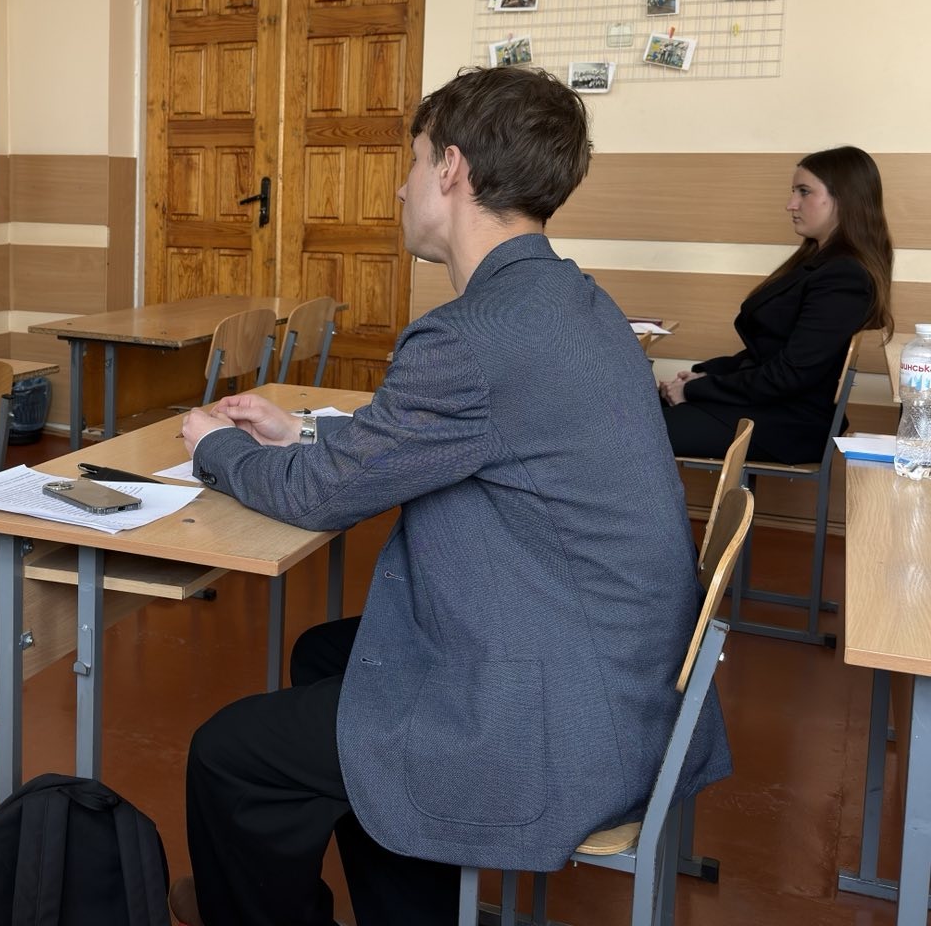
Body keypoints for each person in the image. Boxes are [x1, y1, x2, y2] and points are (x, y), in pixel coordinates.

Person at [170, 65, 731, 926]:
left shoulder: (472, 335)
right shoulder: (574, 301)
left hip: (555, 714)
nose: (401, 187)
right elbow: (447, 443)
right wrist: (302, 433)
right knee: (325, 654)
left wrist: (215, 449)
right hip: (620, 676)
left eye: (414, 160)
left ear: (452, 168)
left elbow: (324, 498)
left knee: (229, 755)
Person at [659, 146, 894, 463]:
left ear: (844, 198)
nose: (790, 204)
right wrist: (704, 376)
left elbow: (789, 375)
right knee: (630, 411)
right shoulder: (820, 263)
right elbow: (767, 352)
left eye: (804, 192)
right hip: (768, 409)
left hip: (788, 425)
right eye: (793, 192)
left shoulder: (843, 276)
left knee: (625, 431)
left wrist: (696, 390)